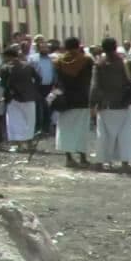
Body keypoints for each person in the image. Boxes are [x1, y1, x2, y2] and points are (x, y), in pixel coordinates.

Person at [90, 37, 131, 174]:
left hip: (105, 105)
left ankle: (100, 162)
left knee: (103, 135)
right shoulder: (124, 62)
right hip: (123, 104)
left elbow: (95, 87)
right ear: (116, 47)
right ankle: (125, 164)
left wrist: (92, 105)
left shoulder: (99, 64)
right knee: (125, 135)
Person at [53, 37, 94, 168]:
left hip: (65, 100)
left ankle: (69, 158)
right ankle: (83, 158)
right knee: (81, 129)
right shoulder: (86, 60)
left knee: (65, 129)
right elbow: (92, 79)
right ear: (78, 46)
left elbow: (57, 82)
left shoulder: (58, 62)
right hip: (82, 99)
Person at [0, 46, 40, 151]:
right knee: (30, 121)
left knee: (15, 121)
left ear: (8, 56)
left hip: (14, 98)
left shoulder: (5, 68)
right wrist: (32, 88)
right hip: (29, 96)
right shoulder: (28, 66)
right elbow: (38, 79)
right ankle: (29, 143)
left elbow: (3, 84)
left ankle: (19, 145)